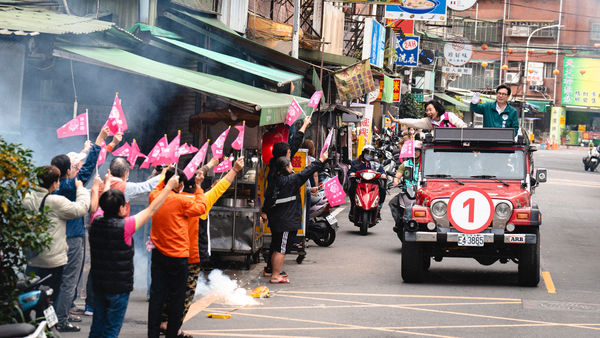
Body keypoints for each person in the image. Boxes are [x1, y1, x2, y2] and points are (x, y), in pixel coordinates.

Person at [159, 157, 245, 337]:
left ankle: (163, 320)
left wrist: (209, 165)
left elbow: (162, 185)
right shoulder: (201, 201)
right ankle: (173, 326)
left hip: (170, 252)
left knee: (169, 288)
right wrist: (235, 170)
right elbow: (221, 187)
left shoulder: (170, 198)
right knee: (186, 294)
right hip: (191, 255)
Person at [87, 173, 180, 338]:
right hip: (118, 288)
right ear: (121, 208)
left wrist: (106, 183)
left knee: (97, 327)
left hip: (99, 285)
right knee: (111, 330)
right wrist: (168, 187)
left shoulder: (95, 221)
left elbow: (104, 203)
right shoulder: (126, 226)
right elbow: (151, 209)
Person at [51, 127, 121, 332]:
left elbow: (85, 164)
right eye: (72, 166)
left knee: (59, 278)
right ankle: (61, 319)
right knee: (69, 280)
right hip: (72, 237)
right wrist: (99, 140)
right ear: (66, 171)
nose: (76, 168)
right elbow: (88, 167)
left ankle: (56, 313)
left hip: (59, 236)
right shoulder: (70, 186)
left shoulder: (54, 185)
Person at [147, 168, 207, 338]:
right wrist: (199, 186)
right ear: (180, 184)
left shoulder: (155, 197)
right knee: (177, 298)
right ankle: (172, 333)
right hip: (178, 256)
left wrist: (166, 176)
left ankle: (152, 334)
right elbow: (201, 206)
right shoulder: (181, 201)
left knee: (157, 295)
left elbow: (159, 187)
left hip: (158, 254)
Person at [22, 166, 90, 313]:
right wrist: (81, 189)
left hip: (32, 257)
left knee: (31, 295)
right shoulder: (55, 201)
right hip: (52, 260)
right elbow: (81, 208)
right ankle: (50, 325)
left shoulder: (27, 198)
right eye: (58, 181)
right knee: (50, 296)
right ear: (54, 183)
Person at [262, 150, 329, 283]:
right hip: (285, 221)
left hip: (276, 219)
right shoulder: (290, 180)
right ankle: (275, 275)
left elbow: (268, 200)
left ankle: (273, 272)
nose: (292, 167)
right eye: (290, 165)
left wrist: (264, 211)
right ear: (286, 168)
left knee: (277, 246)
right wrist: (321, 160)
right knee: (281, 249)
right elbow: (307, 171)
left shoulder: (274, 179)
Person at [261, 116, 312, 277]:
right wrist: (264, 210)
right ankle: (274, 272)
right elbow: (270, 194)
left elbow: (295, 143)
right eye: (289, 152)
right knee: (280, 244)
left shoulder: (277, 166)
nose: (292, 153)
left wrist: (304, 125)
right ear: (284, 155)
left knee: (277, 243)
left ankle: (270, 269)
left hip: (278, 213)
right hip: (282, 214)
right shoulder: (280, 173)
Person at [389, 140, 422, 232]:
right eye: (413, 150)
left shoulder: (425, 165)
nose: (415, 152)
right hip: (407, 191)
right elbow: (398, 175)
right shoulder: (405, 164)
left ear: (421, 152)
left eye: (417, 150)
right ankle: (398, 223)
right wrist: (395, 181)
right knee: (393, 203)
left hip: (421, 191)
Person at [348, 145, 387, 221]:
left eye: (371, 153)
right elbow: (350, 172)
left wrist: (383, 174)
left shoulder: (376, 164)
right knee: (352, 189)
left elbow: (382, 171)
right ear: (363, 153)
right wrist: (352, 173)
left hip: (373, 184)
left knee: (382, 191)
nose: (369, 155)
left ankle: (378, 208)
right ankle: (353, 207)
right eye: (367, 153)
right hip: (359, 183)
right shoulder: (356, 163)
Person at [387, 100, 467, 130]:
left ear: (437, 109)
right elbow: (414, 122)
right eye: (426, 111)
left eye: (430, 110)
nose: (428, 112)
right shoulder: (429, 122)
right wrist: (397, 120)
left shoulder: (449, 116)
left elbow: (463, 126)